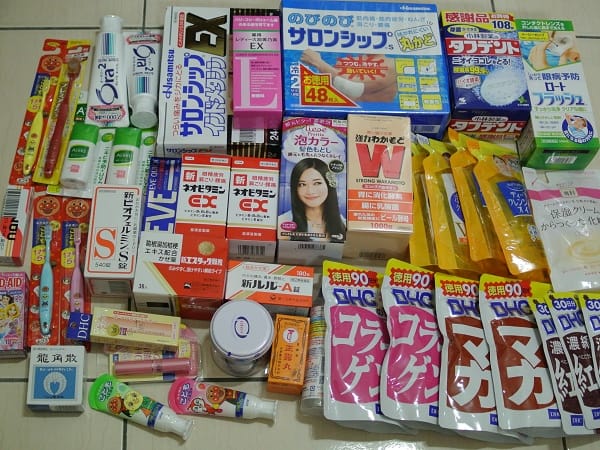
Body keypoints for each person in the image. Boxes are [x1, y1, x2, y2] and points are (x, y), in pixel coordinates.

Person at [279, 157, 345, 242]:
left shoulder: (344, 224)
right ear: (295, 188)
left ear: (329, 184)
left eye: (317, 183)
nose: (310, 191)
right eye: (302, 184)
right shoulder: (283, 223)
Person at [300, 49, 398, 102]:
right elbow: (334, 88)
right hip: (343, 112)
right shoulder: (346, 61)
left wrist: (318, 62)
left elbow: (353, 89)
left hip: (378, 115)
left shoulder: (392, 65)